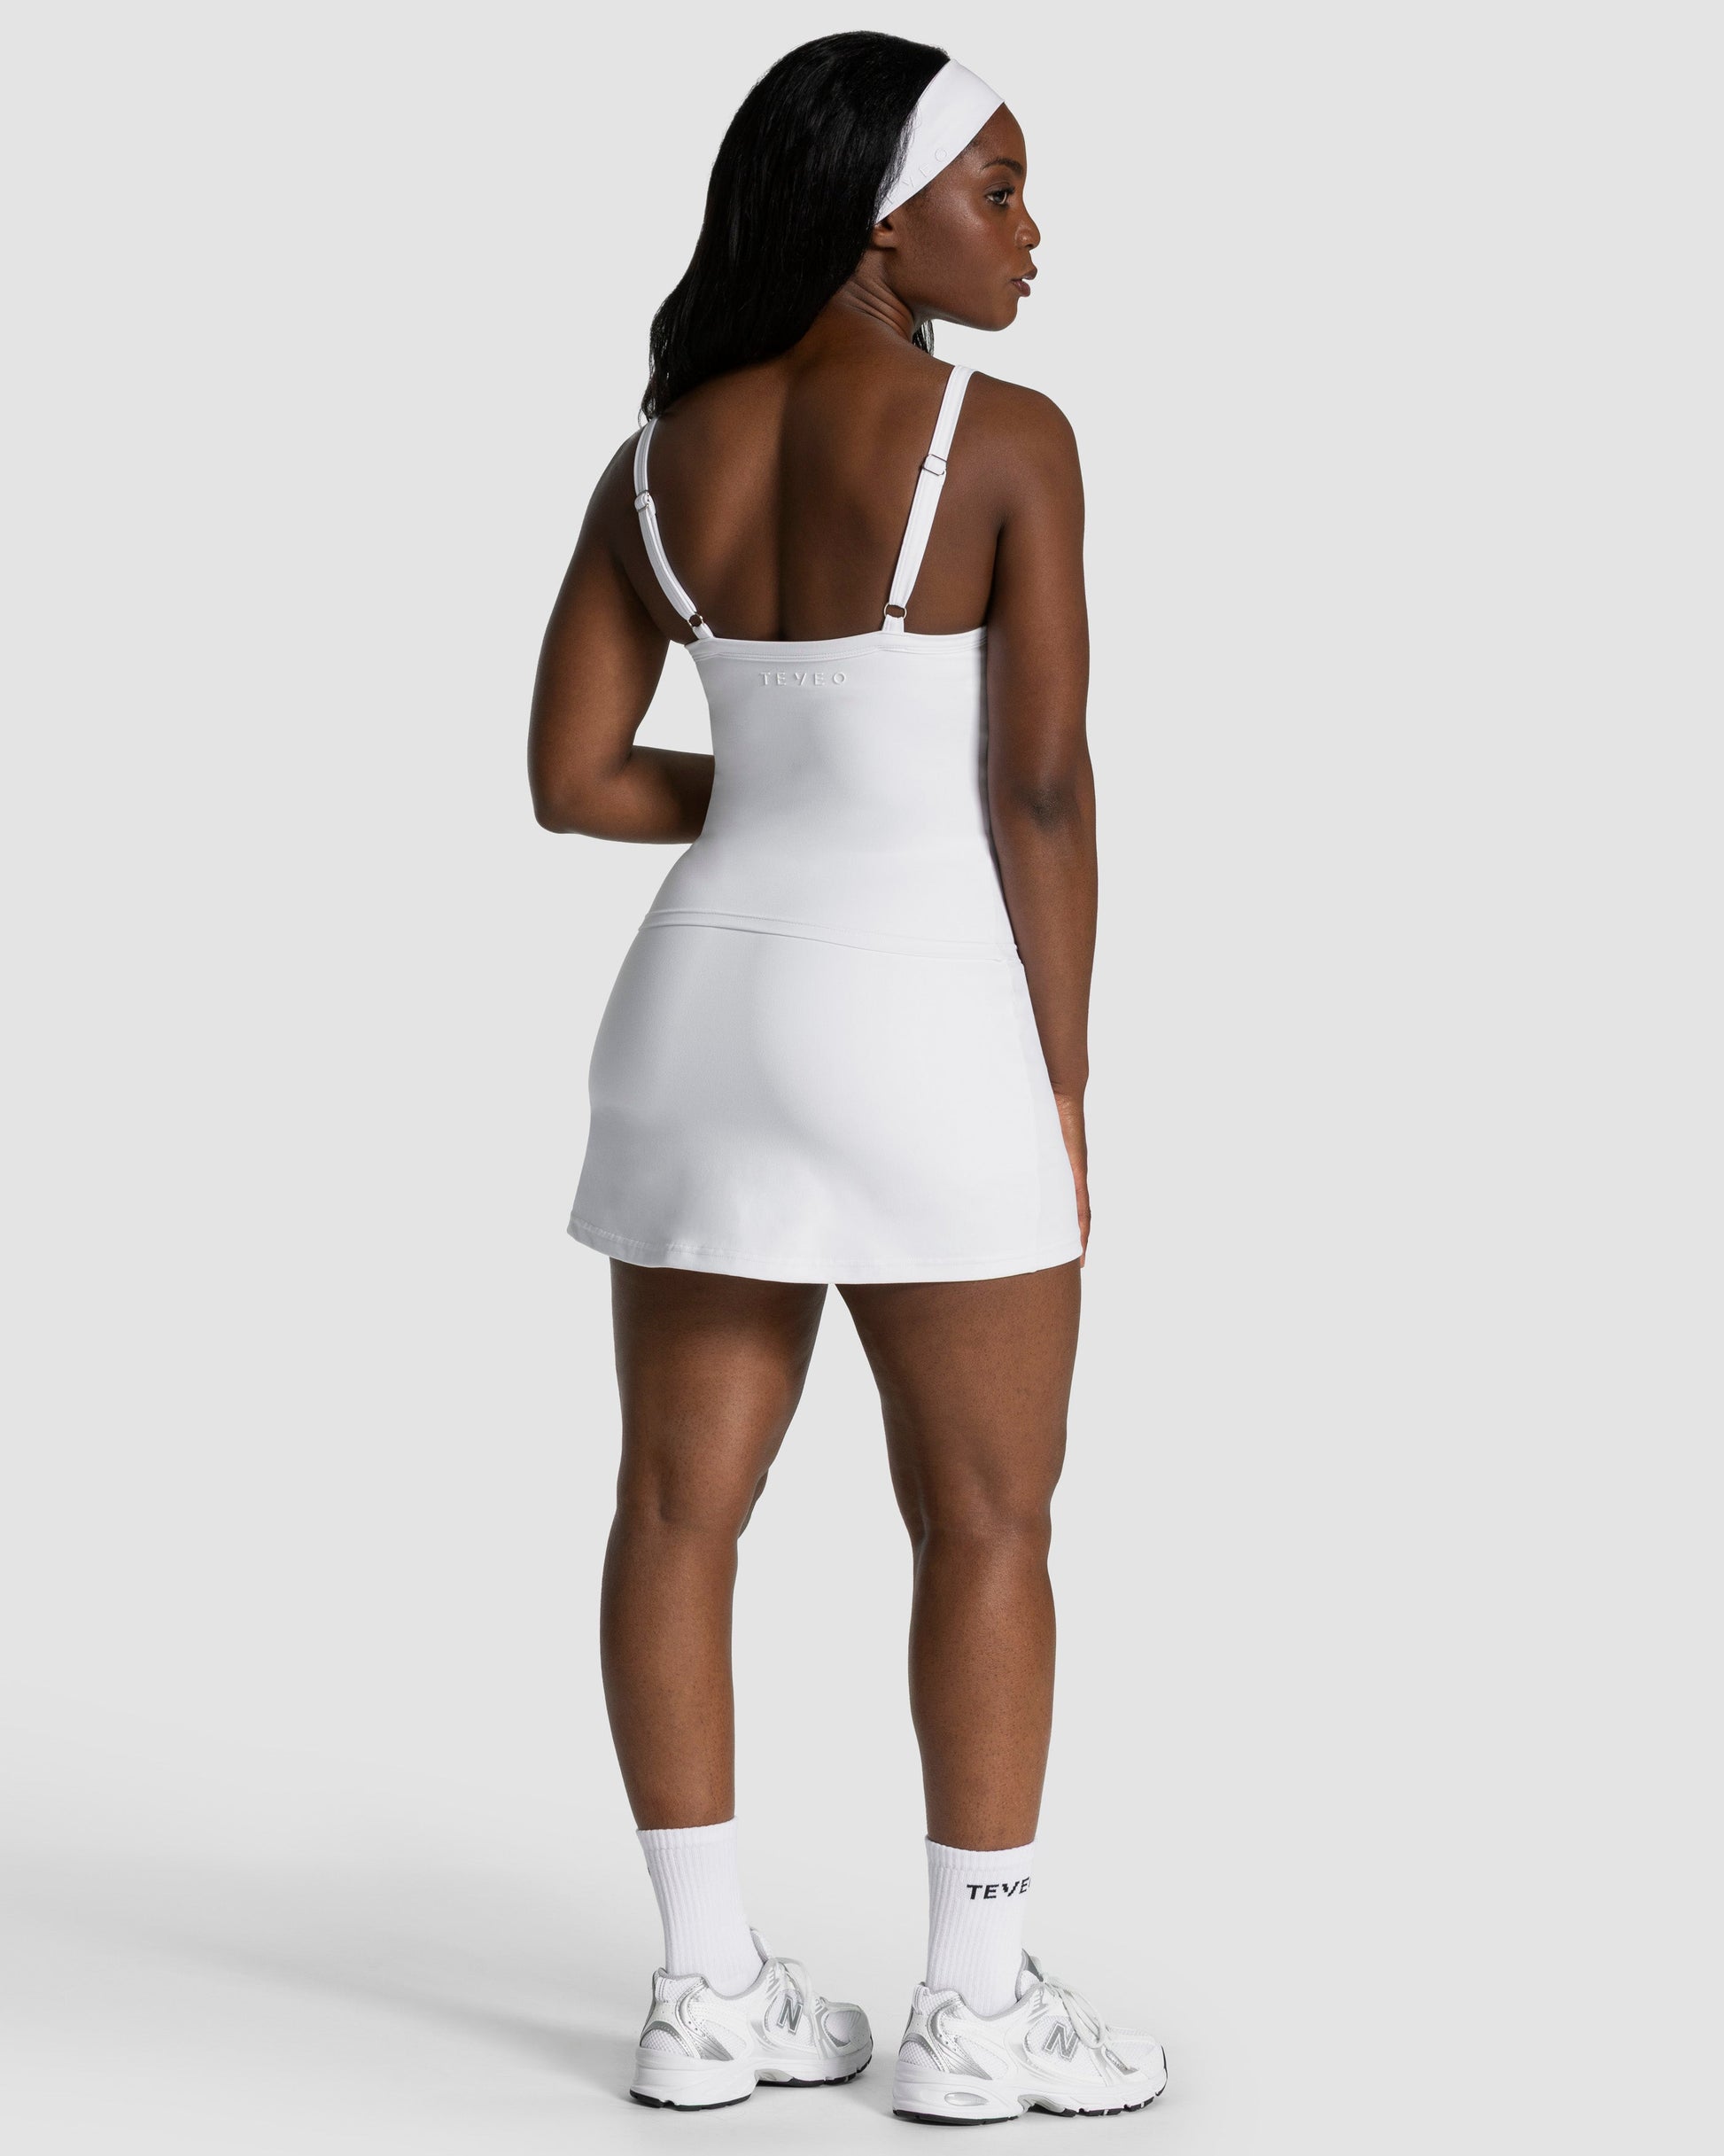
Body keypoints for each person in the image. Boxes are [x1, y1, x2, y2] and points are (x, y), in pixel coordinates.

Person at [528, 31, 1167, 2124]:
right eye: (997, 188)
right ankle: (975, 2010)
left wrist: (786, 790)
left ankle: (703, 1990)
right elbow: (1040, 791)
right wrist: (1063, 1079)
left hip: (697, 1015)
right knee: (985, 1513)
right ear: (882, 214)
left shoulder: (657, 458)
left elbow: (574, 777)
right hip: (925, 1019)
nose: (1030, 231)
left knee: (673, 1503)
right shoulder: (1010, 440)